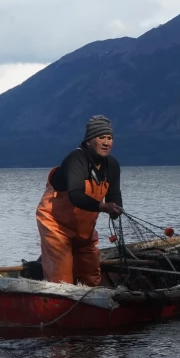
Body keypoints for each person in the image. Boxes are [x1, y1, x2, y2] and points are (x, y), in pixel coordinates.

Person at [35, 115, 124, 285]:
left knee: (91, 275)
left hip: (83, 230)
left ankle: (92, 306)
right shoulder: (76, 159)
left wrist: (116, 208)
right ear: (89, 141)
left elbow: (114, 195)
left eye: (110, 138)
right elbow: (75, 195)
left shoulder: (112, 165)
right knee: (62, 279)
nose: (106, 142)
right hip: (55, 224)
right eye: (101, 137)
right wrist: (103, 207)